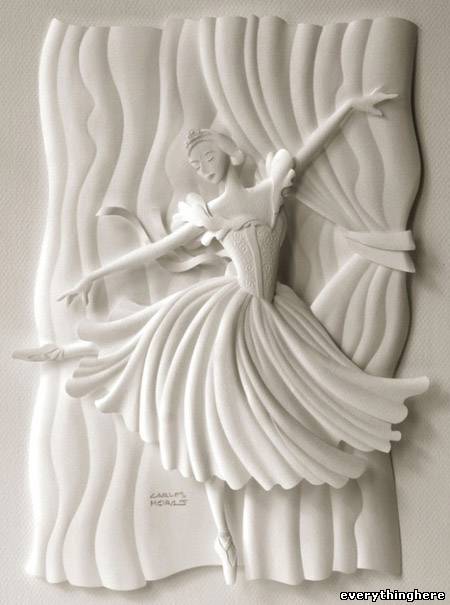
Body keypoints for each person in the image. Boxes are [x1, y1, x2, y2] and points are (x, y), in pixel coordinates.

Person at [14, 88, 429, 585]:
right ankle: (222, 534)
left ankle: (236, 526)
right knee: (170, 366)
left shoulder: (270, 190)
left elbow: (310, 150)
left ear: (230, 153)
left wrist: (349, 107)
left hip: (273, 312)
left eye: (208, 157)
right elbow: (155, 252)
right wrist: (95, 275)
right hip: (228, 310)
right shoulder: (207, 212)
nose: (204, 169)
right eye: (197, 165)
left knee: (298, 395)